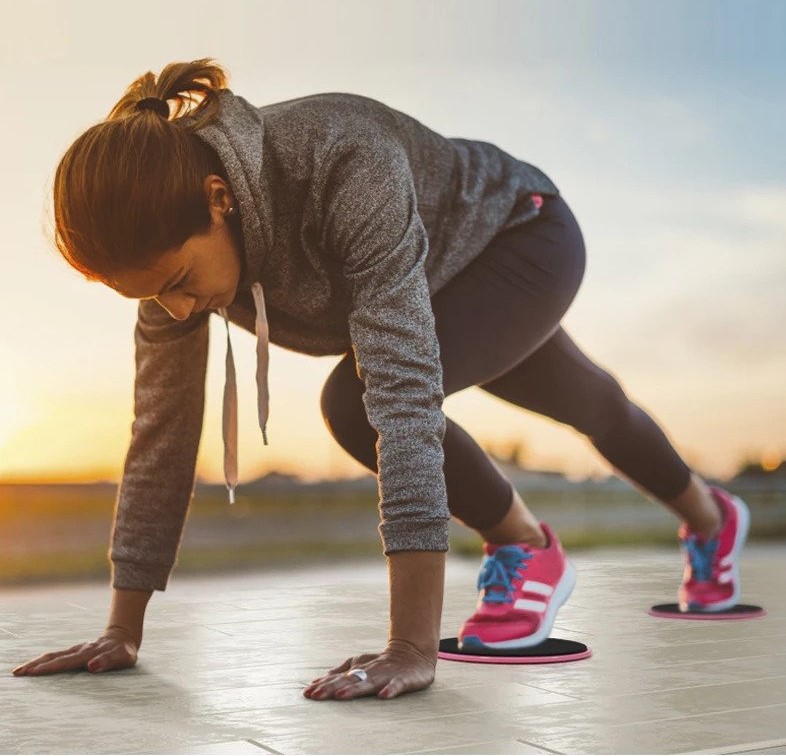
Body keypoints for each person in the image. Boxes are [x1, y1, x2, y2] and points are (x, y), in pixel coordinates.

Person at [12, 58, 749, 701]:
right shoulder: (167, 268)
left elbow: (400, 396)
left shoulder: (340, 159)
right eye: (151, 296)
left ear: (217, 198)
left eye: (177, 280)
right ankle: (714, 521)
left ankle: (524, 544)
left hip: (519, 237)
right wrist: (121, 630)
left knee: (363, 400)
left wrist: (411, 646)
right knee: (591, 399)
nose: (176, 308)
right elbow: (160, 438)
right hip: (432, 277)